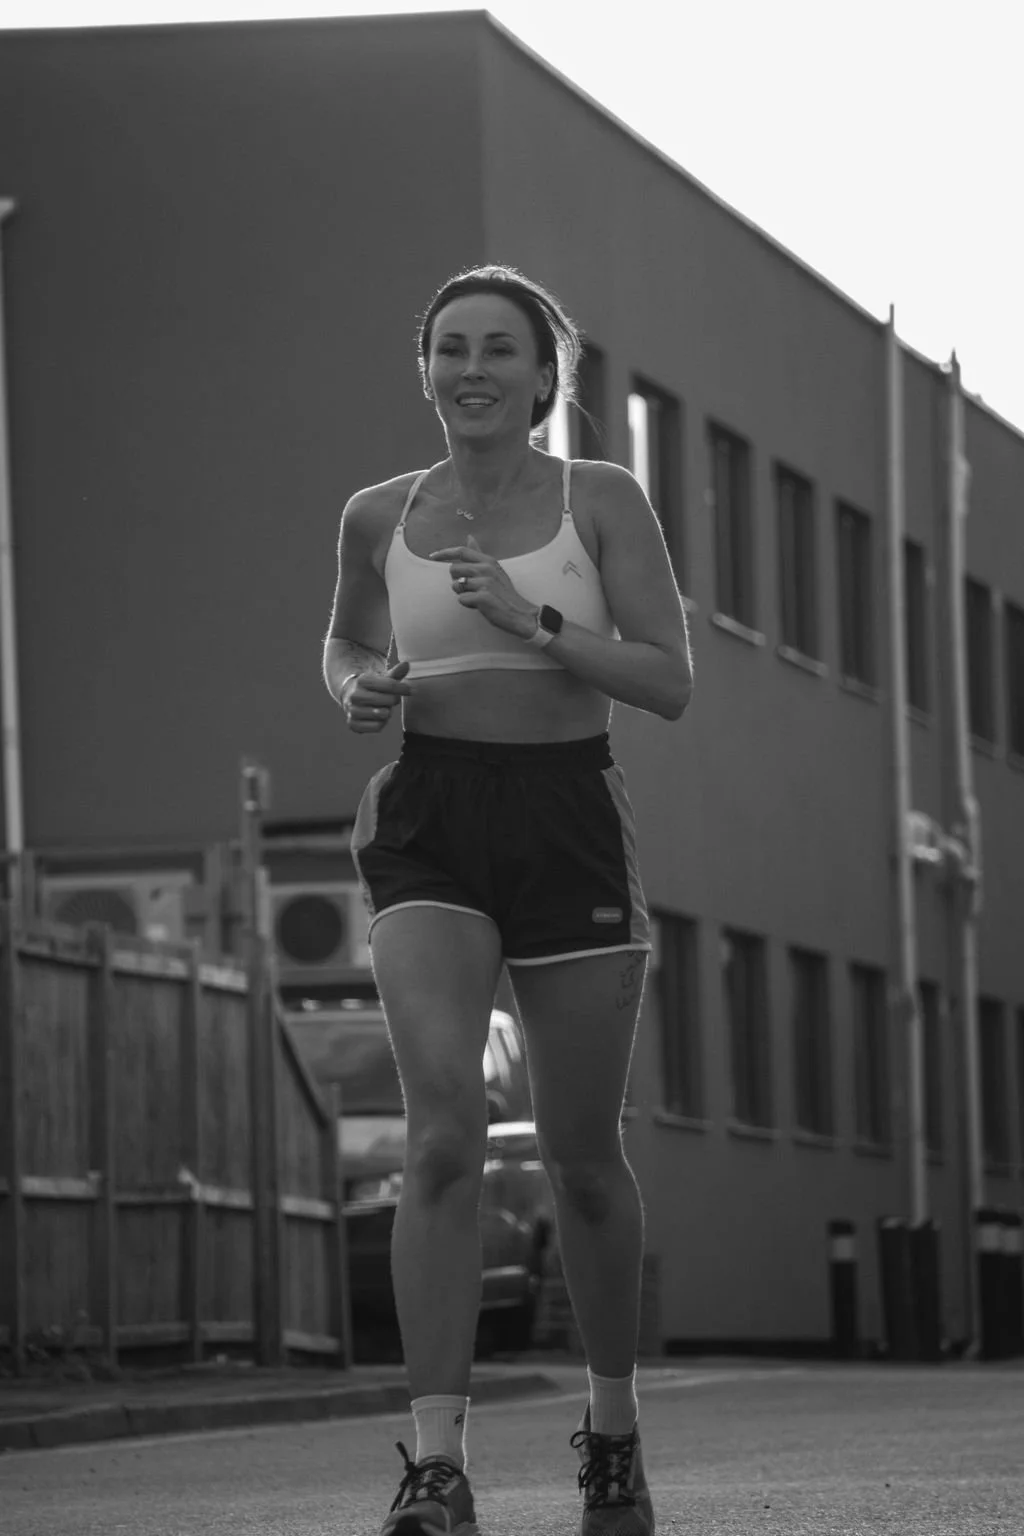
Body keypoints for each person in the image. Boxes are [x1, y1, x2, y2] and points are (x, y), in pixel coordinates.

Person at [322, 264, 693, 1536]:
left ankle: (613, 1432)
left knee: (584, 1161)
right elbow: (347, 641)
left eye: (499, 350)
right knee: (440, 1137)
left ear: (545, 377)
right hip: (430, 814)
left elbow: (667, 679)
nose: (471, 369)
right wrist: (359, 688)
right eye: (449, 349)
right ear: (422, 370)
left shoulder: (601, 500)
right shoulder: (378, 513)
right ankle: (436, 1465)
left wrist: (533, 620)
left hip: (568, 817)